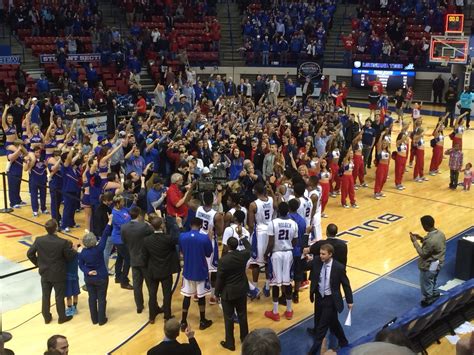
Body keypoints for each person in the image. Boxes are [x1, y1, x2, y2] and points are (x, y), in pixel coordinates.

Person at [304, 243, 353, 354]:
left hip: (331, 300)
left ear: (330, 254)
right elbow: (304, 267)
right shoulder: (317, 261)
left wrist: (350, 301)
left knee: (321, 329)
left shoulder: (339, 267)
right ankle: (344, 342)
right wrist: (302, 255)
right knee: (333, 322)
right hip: (319, 297)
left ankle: (311, 353)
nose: (320, 256)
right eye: (320, 253)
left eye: (323, 254)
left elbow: (346, 284)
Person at [27, 219, 77, 324]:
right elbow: (69, 257)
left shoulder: (39, 240)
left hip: (45, 273)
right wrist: (74, 251)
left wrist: (38, 263)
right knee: (59, 296)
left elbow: (30, 254)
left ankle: (46, 317)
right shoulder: (62, 242)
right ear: (56, 228)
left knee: (45, 296)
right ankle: (62, 317)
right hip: (58, 274)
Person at [215, 211, 251, 351]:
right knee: (243, 316)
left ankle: (230, 343)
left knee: (228, 318)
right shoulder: (243, 255)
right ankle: (245, 339)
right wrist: (242, 235)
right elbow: (249, 248)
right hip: (241, 290)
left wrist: (216, 293)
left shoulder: (223, 261)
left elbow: (219, 279)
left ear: (229, 246)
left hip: (228, 293)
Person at [264, 202, 298, 322]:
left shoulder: (272, 223)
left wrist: (266, 253)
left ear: (278, 210)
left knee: (275, 283)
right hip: (288, 253)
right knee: (287, 282)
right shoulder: (294, 224)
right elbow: (295, 241)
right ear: (288, 210)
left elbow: (271, 242)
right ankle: (289, 310)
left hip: (276, 254)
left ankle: (275, 312)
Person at [143, 217, 180, 323]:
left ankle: (151, 317)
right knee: (167, 294)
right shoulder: (168, 239)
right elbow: (178, 238)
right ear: (162, 226)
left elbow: (144, 257)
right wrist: (178, 225)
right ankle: (167, 316)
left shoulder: (147, 240)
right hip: (166, 270)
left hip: (153, 271)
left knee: (152, 294)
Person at [179, 217, 213, 331]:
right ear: (200, 225)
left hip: (188, 271)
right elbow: (208, 254)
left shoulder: (182, 236)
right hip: (201, 271)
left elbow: (181, 252)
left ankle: (183, 322)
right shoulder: (204, 238)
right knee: (201, 296)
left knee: (187, 296)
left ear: (190, 224)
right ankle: (202, 321)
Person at [78, 215, 113, 325]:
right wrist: (110, 221)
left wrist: (88, 271)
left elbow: (81, 265)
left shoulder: (82, 252)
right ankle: (102, 319)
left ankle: (94, 319)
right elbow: (104, 235)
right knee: (102, 299)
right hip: (101, 277)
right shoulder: (99, 249)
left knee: (92, 298)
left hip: (89, 278)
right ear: (94, 241)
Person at [121, 206, 154, 313]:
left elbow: (124, 241)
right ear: (139, 215)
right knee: (150, 285)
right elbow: (154, 233)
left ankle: (139, 306)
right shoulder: (144, 226)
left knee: (137, 285)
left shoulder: (124, 227)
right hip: (145, 260)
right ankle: (154, 305)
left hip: (133, 259)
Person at [410, 215, 446, 307]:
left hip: (429, 265)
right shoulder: (440, 234)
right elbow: (433, 247)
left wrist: (415, 242)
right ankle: (434, 293)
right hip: (438, 263)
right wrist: (421, 239)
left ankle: (429, 298)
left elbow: (423, 254)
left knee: (426, 282)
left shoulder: (430, 240)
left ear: (425, 225)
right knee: (433, 279)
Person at [248, 182, 276, 297]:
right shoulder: (270, 199)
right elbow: (277, 207)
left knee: (255, 263)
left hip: (259, 233)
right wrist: (273, 193)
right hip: (270, 231)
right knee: (268, 260)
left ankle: (254, 288)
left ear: (255, 191)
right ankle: (267, 286)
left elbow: (250, 224)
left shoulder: (253, 205)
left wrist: (250, 235)